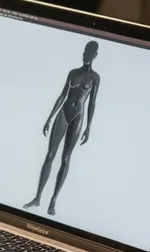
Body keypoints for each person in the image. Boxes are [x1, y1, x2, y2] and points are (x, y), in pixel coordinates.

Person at [24, 40, 101, 216]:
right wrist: (49, 118)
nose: (85, 55)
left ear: (95, 55)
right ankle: (37, 198)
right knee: (50, 155)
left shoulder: (95, 78)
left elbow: (92, 103)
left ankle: (53, 201)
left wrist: (88, 127)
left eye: (89, 52)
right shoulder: (73, 73)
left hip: (78, 116)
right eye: (84, 51)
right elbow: (62, 95)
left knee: (65, 158)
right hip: (63, 113)